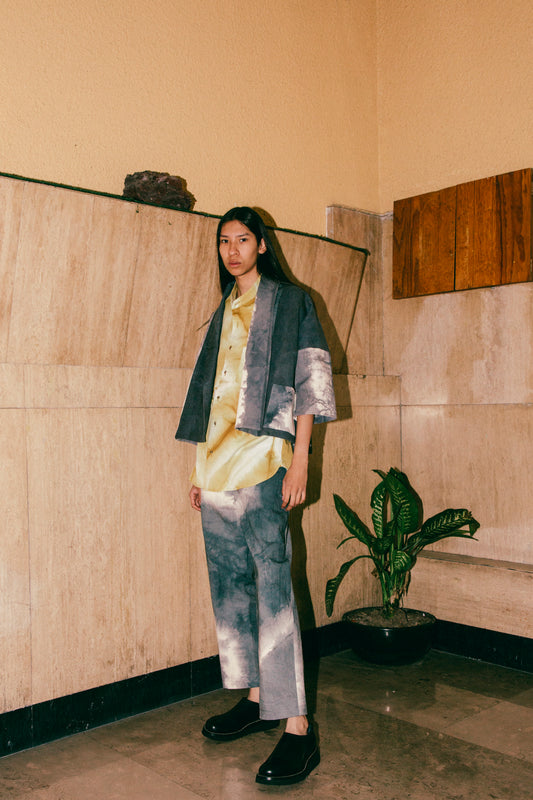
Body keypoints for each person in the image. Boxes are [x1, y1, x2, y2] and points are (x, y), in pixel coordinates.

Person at [175, 206, 336, 786]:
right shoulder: (223, 310)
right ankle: (254, 698)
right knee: (231, 591)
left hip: (265, 463)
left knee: (274, 596)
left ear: (262, 245)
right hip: (217, 469)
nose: (233, 250)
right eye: (225, 241)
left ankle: (297, 727)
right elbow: (212, 398)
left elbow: (312, 382)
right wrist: (200, 470)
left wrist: (300, 460)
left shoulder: (292, 302)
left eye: (243, 240)